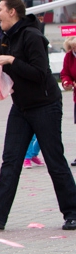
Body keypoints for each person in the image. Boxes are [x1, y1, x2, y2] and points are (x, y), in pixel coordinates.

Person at [0, 0, 76, 231]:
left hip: (45, 105)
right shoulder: (5, 35)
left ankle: (73, 212)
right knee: (11, 159)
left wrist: (12, 60)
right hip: (21, 106)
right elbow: (9, 67)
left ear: (12, 12)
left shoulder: (33, 36)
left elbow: (39, 73)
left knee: (54, 159)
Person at [60, 36, 76, 167]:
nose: (74, 50)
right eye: (72, 48)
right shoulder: (69, 57)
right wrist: (66, 82)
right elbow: (65, 73)